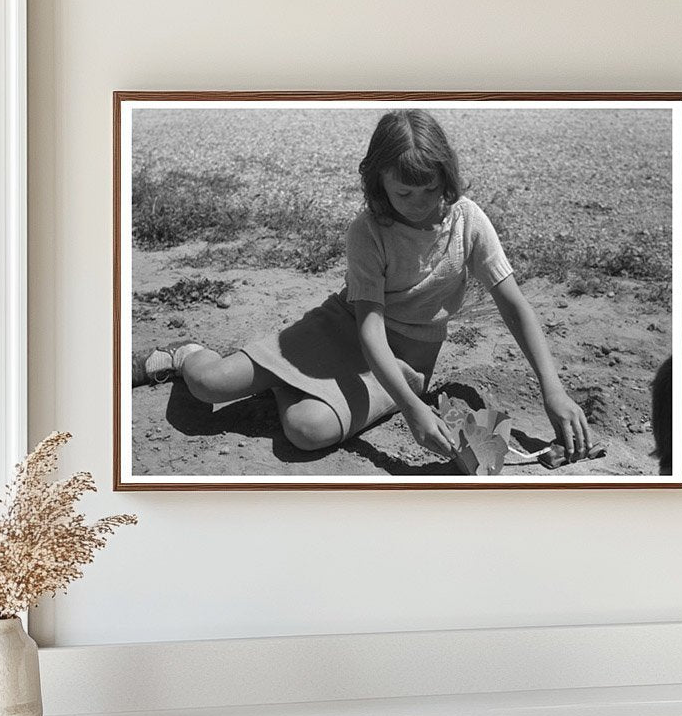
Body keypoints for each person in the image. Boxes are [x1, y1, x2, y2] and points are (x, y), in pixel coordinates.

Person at [133, 109, 591, 463]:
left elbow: (514, 306)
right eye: (403, 194)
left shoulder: (468, 220)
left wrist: (553, 390)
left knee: (306, 430)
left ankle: (286, 385)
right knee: (210, 385)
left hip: (406, 359)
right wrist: (413, 412)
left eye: (429, 190)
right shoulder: (368, 230)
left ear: (445, 177)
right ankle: (185, 353)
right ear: (379, 185)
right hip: (344, 326)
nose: (418, 204)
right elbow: (369, 329)